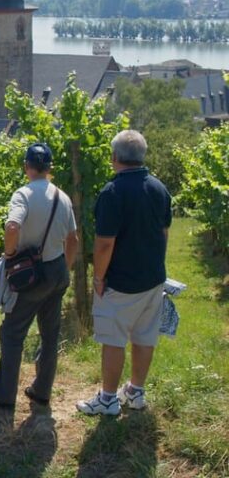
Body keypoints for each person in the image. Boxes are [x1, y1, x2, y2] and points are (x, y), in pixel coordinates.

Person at [0, 143, 78, 411]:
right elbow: (72, 239)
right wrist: (64, 268)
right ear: (50, 168)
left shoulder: (23, 194)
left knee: (12, 333)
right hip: (56, 270)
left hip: (31, 274)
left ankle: (4, 397)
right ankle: (42, 392)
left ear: (26, 167)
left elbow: (12, 226)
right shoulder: (62, 197)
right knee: (50, 335)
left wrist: (9, 255)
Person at [77, 130, 171, 416]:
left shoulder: (113, 192)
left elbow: (105, 243)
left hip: (121, 281)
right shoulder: (159, 188)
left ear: (114, 157)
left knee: (113, 339)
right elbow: (164, 232)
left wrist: (98, 277)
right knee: (145, 336)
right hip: (152, 278)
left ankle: (107, 399)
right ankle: (136, 391)